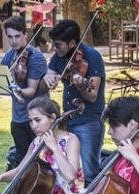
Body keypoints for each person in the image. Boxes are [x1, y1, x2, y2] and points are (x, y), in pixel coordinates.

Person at [42, 19, 106, 183]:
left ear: (72, 43)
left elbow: (92, 96)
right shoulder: (59, 57)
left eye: (58, 45)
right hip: (68, 120)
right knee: (69, 170)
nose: (55, 49)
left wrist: (81, 86)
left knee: (89, 172)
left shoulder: (92, 57)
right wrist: (48, 77)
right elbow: (49, 73)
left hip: (88, 121)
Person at [0, 16, 49, 168]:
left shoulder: (36, 58)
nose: (14, 41)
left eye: (17, 36)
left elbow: (31, 91)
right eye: (10, 37)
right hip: (18, 117)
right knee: (23, 162)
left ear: (25, 35)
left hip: (36, 117)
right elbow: (2, 78)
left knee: (41, 162)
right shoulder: (10, 55)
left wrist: (17, 89)